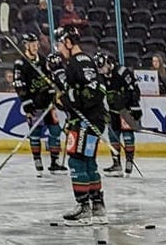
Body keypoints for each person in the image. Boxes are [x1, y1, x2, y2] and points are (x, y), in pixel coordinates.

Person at [53, 25, 108, 227]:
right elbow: (74, 93)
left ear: (68, 42)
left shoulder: (80, 61)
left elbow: (95, 90)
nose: (58, 48)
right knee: (87, 161)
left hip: (87, 120)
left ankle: (84, 207)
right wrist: (64, 99)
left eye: (59, 43)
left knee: (77, 161)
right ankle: (97, 206)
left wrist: (71, 99)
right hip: (88, 119)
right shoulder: (76, 63)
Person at [13, 34, 65, 177]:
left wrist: (55, 91)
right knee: (35, 134)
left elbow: (53, 78)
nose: (36, 46)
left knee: (55, 130)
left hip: (48, 103)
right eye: (32, 44)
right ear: (26, 45)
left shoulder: (43, 60)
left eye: (36, 43)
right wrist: (26, 102)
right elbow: (19, 85)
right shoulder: (21, 64)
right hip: (34, 104)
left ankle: (54, 162)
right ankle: (37, 160)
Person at [96, 52, 142, 178]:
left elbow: (134, 90)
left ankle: (129, 161)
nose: (101, 71)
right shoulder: (101, 75)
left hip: (126, 110)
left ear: (108, 63)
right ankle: (116, 164)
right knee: (113, 135)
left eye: (102, 67)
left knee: (127, 135)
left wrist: (135, 107)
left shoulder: (122, 72)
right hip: (113, 110)